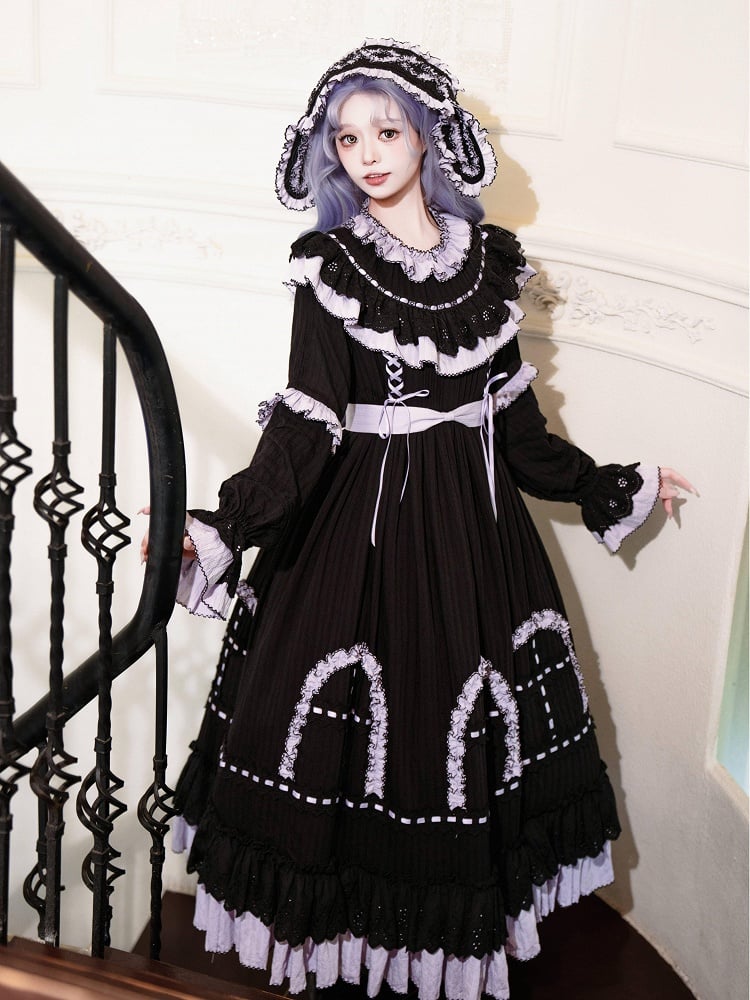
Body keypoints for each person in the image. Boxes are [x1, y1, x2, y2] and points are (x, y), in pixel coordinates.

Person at [155, 39, 694, 1000]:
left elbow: (518, 429)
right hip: (355, 522)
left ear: (427, 138)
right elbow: (309, 420)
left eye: (387, 131)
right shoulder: (328, 263)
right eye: (347, 138)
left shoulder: (490, 263)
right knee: (354, 726)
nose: (367, 154)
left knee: (454, 732)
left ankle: (438, 944)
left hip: (473, 529)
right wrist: (228, 525)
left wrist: (610, 486)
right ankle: (350, 942)